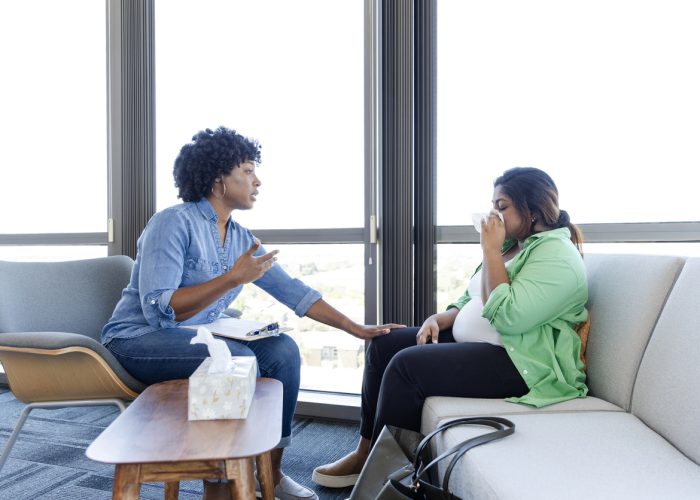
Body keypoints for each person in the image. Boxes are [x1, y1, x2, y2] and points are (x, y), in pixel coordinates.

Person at [101, 126, 402, 500]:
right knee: (238, 361)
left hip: (198, 336)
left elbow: (293, 291)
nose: (257, 181)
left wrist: (354, 327)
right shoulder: (172, 222)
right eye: (246, 171)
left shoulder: (242, 237)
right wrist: (231, 279)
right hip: (137, 340)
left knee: (283, 351)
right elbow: (161, 312)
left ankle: (269, 473)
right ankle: (224, 481)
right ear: (218, 180)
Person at [312, 167, 589, 488]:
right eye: (493, 206)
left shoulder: (556, 254)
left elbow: (511, 317)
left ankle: (390, 478)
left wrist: (489, 251)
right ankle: (367, 450)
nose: (493, 215)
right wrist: (439, 319)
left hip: (523, 364)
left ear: (532, 210)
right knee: (385, 342)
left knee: (407, 367)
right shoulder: (511, 246)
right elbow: (472, 295)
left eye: (502, 207)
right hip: (491, 347)